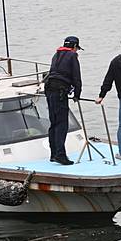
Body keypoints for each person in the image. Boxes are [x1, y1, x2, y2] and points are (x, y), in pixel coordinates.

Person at [44, 36, 83, 165]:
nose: (77, 51)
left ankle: (53, 154)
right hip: (60, 92)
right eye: (77, 48)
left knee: (53, 123)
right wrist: (77, 94)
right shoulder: (72, 56)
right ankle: (60, 155)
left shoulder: (56, 55)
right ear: (74, 47)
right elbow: (77, 77)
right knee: (62, 124)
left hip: (49, 90)